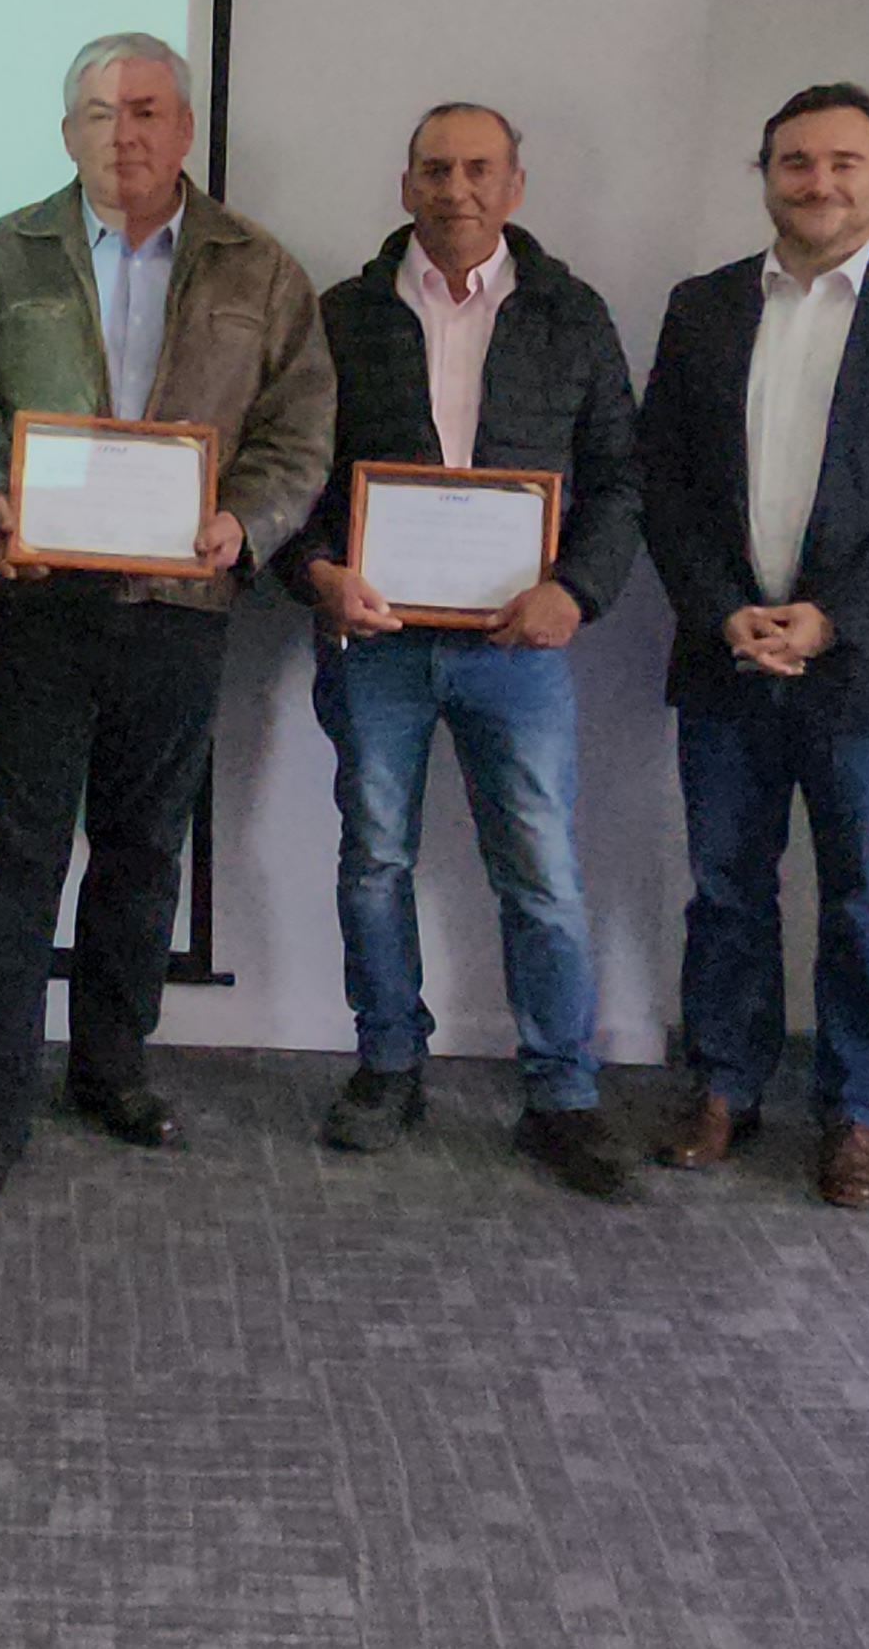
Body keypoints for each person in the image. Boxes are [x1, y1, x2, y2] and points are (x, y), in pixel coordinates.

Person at [0, 33, 333, 1205]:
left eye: (145, 109)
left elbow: (299, 428)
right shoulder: (7, 255)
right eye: (98, 113)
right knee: (20, 855)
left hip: (181, 608)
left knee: (145, 852)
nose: (123, 133)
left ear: (184, 127)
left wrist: (244, 525)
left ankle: (112, 1066)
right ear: (68, 134)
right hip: (43, 602)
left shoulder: (259, 268)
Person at [636, 83, 869, 1208]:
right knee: (725, 890)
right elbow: (663, 481)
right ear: (765, 176)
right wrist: (721, 609)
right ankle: (725, 1085)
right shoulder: (701, 307)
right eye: (795, 161)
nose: (819, 182)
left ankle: (856, 1114)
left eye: (844, 162)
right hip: (729, 653)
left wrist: (832, 615)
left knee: (864, 899)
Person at [286, 104, 644, 1199]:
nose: (457, 189)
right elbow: (290, 470)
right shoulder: (341, 315)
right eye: (435, 170)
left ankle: (562, 1092)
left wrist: (574, 592)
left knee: (540, 872)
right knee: (374, 860)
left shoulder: (570, 315)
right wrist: (317, 571)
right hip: (378, 639)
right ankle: (387, 1063)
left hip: (516, 645)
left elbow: (622, 477)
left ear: (515, 186)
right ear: (404, 186)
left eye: (479, 169)